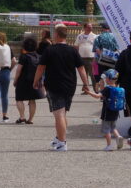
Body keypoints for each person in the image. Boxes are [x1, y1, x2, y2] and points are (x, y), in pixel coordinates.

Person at [33, 24, 91, 152]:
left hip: (54, 85)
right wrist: (86, 84)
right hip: (70, 85)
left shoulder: (50, 50)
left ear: (57, 35)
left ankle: (62, 142)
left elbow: (41, 67)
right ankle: (59, 137)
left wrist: (36, 80)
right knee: (63, 113)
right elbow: (81, 68)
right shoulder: (73, 51)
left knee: (58, 114)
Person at [85, 69, 127, 151]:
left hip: (107, 112)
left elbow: (97, 96)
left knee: (106, 130)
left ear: (108, 79)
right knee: (113, 128)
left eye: (106, 78)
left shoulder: (107, 89)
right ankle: (118, 137)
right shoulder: (117, 88)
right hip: (115, 112)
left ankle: (109, 145)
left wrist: (89, 92)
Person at [12, 35, 43, 124]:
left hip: (23, 81)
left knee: (19, 99)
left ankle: (22, 117)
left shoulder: (24, 56)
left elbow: (19, 70)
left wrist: (15, 80)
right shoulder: (39, 57)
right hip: (35, 80)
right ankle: (30, 119)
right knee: (32, 100)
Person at [75, 22, 98, 91]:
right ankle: (86, 89)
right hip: (82, 58)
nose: (90, 28)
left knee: (94, 75)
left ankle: (96, 89)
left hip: (92, 58)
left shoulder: (95, 36)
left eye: (91, 27)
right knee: (84, 75)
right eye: (88, 27)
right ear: (84, 28)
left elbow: (97, 47)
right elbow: (76, 46)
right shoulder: (80, 36)